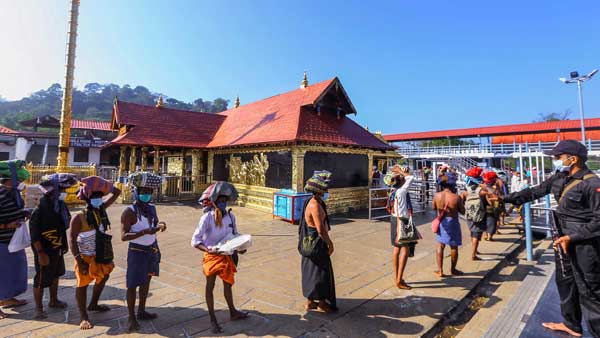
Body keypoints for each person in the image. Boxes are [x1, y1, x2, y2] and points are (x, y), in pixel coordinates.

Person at [504, 140, 600, 338]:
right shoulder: (559, 178)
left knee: (589, 290)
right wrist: (503, 198)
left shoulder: (592, 184)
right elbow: (533, 192)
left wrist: (572, 237)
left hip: (585, 244)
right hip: (561, 240)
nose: (555, 160)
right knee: (566, 283)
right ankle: (572, 325)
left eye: (558, 157)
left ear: (572, 159)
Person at [191, 181, 248, 334]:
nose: (223, 204)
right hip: (212, 257)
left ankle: (233, 312)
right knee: (210, 287)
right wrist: (209, 250)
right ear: (214, 202)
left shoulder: (231, 217)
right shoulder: (207, 218)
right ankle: (212, 319)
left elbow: (235, 235)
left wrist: (240, 247)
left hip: (229, 256)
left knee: (228, 284)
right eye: (220, 201)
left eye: (225, 201)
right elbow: (195, 241)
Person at [70, 176, 121, 330]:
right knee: (82, 284)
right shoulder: (79, 217)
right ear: (87, 198)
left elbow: (117, 192)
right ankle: (83, 316)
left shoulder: (101, 211)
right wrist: (79, 260)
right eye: (95, 197)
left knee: (104, 277)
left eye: (100, 196)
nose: (98, 199)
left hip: (101, 254)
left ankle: (93, 304)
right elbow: (72, 241)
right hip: (85, 256)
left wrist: (100, 183)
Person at [121, 172, 166, 333]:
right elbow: (124, 236)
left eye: (148, 192)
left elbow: (155, 224)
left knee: (146, 281)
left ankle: (142, 310)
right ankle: (131, 317)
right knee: (133, 285)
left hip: (151, 249)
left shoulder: (152, 209)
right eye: (143, 192)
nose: (146, 195)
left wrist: (160, 225)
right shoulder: (129, 211)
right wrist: (144, 232)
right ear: (136, 192)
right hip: (136, 251)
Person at [29, 173, 78, 319]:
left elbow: (63, 227)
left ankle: (53, 300)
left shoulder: (59, 206)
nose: (64, 193)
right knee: (41, 278)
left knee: (56, 274)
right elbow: (34, 234)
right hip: (44, 249)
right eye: (61, 190)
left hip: (57, 247)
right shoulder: (39, 209)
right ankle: (38, 308)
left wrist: (64, 245)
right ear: (53, 191)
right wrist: (40, 253)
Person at [299, 170, 338, 312]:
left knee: (311, 272)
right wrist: (330, 243)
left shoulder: (312, 201)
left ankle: (309, 301)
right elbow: (320, 229)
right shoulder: (314, 205)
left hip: (309, 245)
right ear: (320, 190)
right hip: (316, 245)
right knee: (321, 273)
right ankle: (321, 302)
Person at [0, 160, 30, 319]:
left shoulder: (14, 193)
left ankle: (7, 298)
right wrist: (7, 225)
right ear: (10, 179)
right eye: (19, 181)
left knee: (13, 272)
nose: (21, 183)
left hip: (14, 240)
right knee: (1, 273)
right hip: (2, 241)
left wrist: (24, 213)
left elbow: (15, 210)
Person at [385, 165, 417, 289]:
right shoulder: (401, 191)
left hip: (394, 219)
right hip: (402, 220)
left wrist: (398, 173)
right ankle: (399, 280)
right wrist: (400, 171)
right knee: (405, 249)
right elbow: (411, 177)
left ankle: (397, 277)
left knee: (397, 249)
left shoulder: (392, 190)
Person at [433, 173, 465, 277]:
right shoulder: (456, 197)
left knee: (440, 245)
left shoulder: (437, 195)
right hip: (453, 221)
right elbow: (463, 211)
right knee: (454, 246)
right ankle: (453, 270)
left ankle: (440, 270)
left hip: (441, 221)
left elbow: (434, 208)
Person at [462, 167, 487, 261]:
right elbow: (491, 196)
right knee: (477, 234)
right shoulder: (482, 191)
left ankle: (475, 250)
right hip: (480, 214)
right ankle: (473, 254)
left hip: (469, 215)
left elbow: (462, 202)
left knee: (473, 232)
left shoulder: (465, 191)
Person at [482, 171, 502, 241]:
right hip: (493, 207)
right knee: (493, 221)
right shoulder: (494, 188)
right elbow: (499, 197)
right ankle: (490, 236)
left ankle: (485, 235)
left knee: (485, 221)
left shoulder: (483, 186)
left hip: (484, 207)